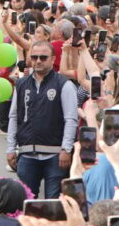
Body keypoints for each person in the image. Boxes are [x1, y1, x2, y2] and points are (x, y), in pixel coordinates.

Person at [6, 41, 78, 198]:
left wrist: (66, 149)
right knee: (25, 203)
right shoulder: (21, 84)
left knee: (52, 205)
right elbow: (13, 117)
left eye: (43, 57)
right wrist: (11, 148)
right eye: (34, 57)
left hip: (55, 155)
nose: (38, 61)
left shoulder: (64, 85)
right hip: (26, 154)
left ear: (53, 59)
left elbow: (71, 119)